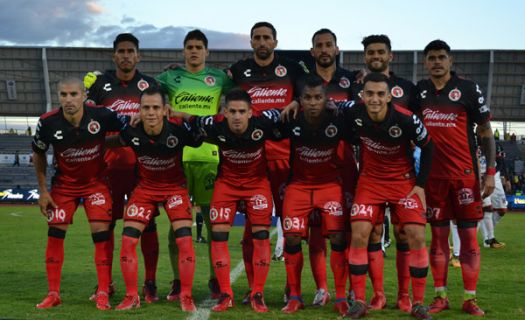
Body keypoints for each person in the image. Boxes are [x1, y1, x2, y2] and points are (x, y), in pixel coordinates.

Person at [227, 21, 309, 303]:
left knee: (291, 227)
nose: (262, 42)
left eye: (266, 38)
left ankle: (292, 289)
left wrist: (297, 100)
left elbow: (309, 92)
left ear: (275, 41)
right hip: (251, 158)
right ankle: (253, 289)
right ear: (251, 42)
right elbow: (216, 87)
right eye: (257, 38)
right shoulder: (239, 70)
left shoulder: (293, 69)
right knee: (252, 229)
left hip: (284, 157)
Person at [179, 89, 282, 313]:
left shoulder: (263, 121)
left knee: (261, 237)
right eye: (232, 111)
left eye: (241, 111)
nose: (237, 116)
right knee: (217, 237)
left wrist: (294, 105)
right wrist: (173, 111)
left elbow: (289, 111)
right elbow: (192, 119)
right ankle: (226, 294)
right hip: (227, 185)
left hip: (257, 184)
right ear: (224, 112)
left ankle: (258, 293)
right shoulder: (214, 124)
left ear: (250, 112)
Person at [343, 72, 434, 320]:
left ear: (389, 96)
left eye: (380, 94)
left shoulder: (406, 119)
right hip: (370, 182)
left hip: (402, 183)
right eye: (369, 93)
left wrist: (421, 185)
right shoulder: (353, 112)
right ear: (363, 95)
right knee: (360, 232)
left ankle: (417, 303)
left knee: (415, 235)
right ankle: (360, 301)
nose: (374, 99)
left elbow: (429, 147)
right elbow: (332, 107)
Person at [32, 77, 128, 310]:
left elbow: (133, 125)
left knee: (100, 235)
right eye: (63, 95)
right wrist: (43, 191)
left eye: (73, 94)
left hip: (96, 184)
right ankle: (53, 293)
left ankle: (103, 291)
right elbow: (38, 153)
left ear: (84, 95)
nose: (68, 100)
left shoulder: (103, 115)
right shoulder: (47, 123)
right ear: (58, 97)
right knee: (55, 234)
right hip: (63, 186)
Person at [416, 39, 495, 316]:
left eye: (441, 57)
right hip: (432, 179)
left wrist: (490, 173)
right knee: (437, 239)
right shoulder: (420, 92)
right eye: (432, 58)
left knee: (469, 239)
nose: (437, 61)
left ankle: (470, 299)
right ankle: (440, 297)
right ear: (426, 63)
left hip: (465, 177)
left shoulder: (468, 89)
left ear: (450, 60)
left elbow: (485, 132)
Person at [156, 29, 234, 300]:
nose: (194, 51)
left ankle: (215, 279)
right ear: (183, 51)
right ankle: (177, 282)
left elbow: (243, 94)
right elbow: (146, 90)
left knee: (214, 226)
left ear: (206, 51)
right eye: (189, 46)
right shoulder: (170, 77)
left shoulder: (220, 78)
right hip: (177, 158)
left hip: (210, 158)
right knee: (176, 226)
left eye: (199, 47)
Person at [109, 87, 202, 311]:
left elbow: (204, 129)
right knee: (129, 240)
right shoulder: (131, 131)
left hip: (174, 189)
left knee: (184, 241)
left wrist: (181, 114)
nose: (150, 113)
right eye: (146, 108)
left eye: (156, 108)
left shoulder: (178, 130)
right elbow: (108, 141)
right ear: (139, 110)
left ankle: (186, 295)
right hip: (145, 189)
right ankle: (132, 296)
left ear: (164, 110)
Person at [84, 33, 161, 303]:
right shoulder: (99, 85)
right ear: (114, 55)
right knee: (106, 226)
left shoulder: (149, 85)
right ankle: (105, 284)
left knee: (148, 226)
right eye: (121, 51)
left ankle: (149, 283)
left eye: (131, 51)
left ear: (138, 56)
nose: (126, 55)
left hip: (142, 169)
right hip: (107, 169)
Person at [352, 34, 420, 312]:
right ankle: (377, 294)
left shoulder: (407, 88)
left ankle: (405, 295)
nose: (375, 56)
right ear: (365, 56)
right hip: (370, 175)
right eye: (370, 52)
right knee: (372, 233)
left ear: (390, 55)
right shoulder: (357, 87)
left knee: (406, 235)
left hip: (403, 175)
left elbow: (419, 128)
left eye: (381, 51)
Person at [280, 76, 350, 316]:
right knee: (290, 240)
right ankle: (295, 296)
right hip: (298, 188)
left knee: (339, 238)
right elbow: (265, 123)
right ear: (300, 100)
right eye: (307, 98)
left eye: (318, 97)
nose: (312, 102)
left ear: (326, 99)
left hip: (330, 186)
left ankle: (340, 296)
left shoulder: (338, 120)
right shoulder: (292, 119)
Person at [305, 28, 359, 306]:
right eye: (319, 45)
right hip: (312, 166)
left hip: (345, 165)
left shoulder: (351, 80)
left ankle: (347, 287)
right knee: (315, 230)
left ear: (337, 49)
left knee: (346, 229)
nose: (324, 49)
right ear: (312, 51)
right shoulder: (304, 82)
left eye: (329, 45)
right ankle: (322, 288)